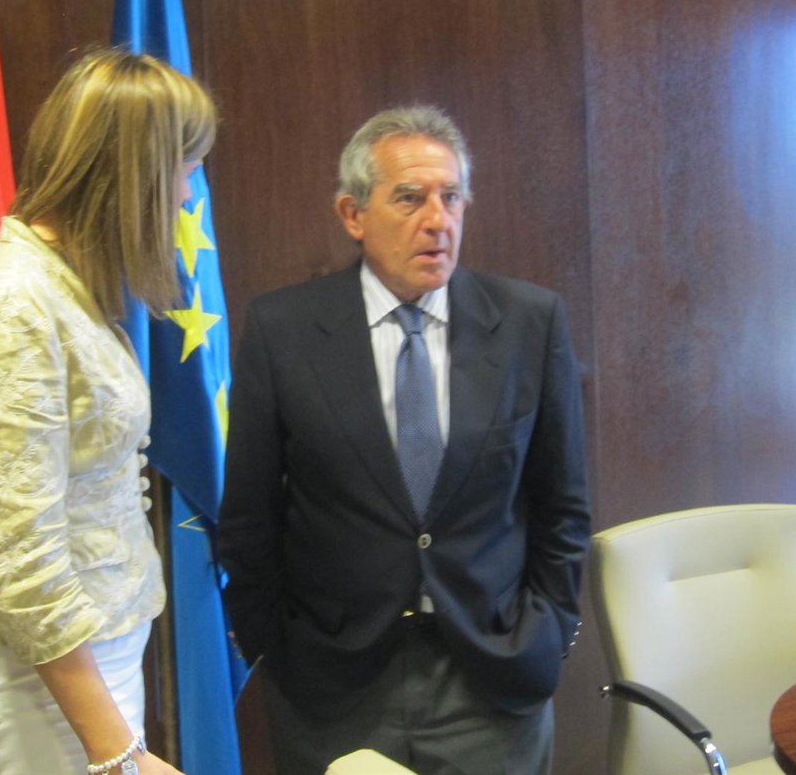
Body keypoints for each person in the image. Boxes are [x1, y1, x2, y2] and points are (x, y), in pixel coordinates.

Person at [218, 106, 591, 774]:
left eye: (452, 197)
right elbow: (249, 515)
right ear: (353, 214)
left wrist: (549, 628)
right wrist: (274, 646)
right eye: (411, 198)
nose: (438, 220)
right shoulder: (283, 331)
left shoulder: (528, 323)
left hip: (491, 675)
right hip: (334, 683)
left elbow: (562, 505)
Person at [0, 48, 217, 775]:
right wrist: (116, 753)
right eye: (183, 168)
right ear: (133, 173)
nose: (188, 196)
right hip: (40, 678)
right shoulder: (11, 305)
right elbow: (23, 556)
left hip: (85, 658)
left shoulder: (62, 286)